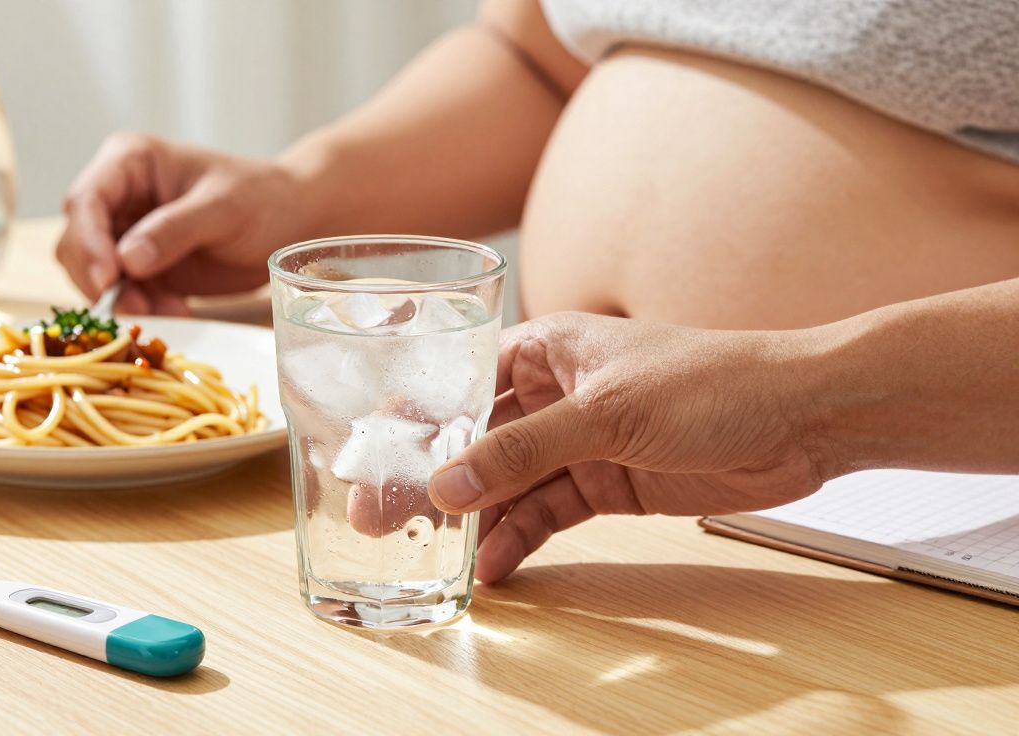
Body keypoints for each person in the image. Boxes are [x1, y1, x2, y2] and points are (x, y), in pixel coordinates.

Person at [55, 0, 1019, 583]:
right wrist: (303, 191)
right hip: (609, 513)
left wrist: (808, 402)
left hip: (923, 541)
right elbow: (541, 55)